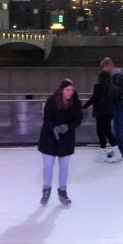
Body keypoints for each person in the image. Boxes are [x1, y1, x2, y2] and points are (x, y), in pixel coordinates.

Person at [37, 78, 83, 206]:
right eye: (67, 90)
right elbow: (46, 118)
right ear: (62, 90)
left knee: (64, 167)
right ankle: (46, 190)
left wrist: (67, 127)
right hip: (49, 138)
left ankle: (63, 191)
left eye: (72, 90)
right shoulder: (51, 101)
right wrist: (55, 128)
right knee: (48, 166)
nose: (70, 92)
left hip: (66, 139)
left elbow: (78, 119)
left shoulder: (76, 103)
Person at [82, 69, 119, 162]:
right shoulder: (112, 88)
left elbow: (93, 98)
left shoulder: (99, 87)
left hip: (100, 112)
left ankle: (115, 152)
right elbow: (115, 101)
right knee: (105, 132)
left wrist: (84, 107)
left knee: (102, 132)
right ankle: (104, 151)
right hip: (108, 113)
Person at [109, 62, 123, 159]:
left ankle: (120, 150)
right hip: (121, 106)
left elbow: (116, 93)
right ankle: (121, 149)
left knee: (118, 128)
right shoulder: (120, 78)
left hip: (118, 106)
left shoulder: (115, 79)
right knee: (119, 127)